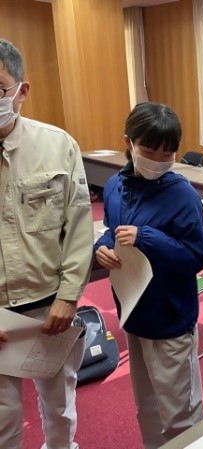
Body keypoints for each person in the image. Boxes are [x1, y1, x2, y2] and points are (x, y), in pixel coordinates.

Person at [94, 102, 203, 449]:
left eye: (168, 152)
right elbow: (110, 229)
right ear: (128, 142)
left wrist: (147, 237)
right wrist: (101, 245)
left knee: (180, 415)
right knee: (146, 408)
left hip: (172, 320)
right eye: (149, 150)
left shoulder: (183, 195)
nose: (158, 160)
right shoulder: (115, 185)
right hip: (133, 312)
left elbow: (196, 257)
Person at [0, 38, 93, 449]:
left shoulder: (58, 145)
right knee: (3, 418)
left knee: (59, 405)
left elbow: (79, 227)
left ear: (22, 91)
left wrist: (69, 296)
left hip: (49, 307)